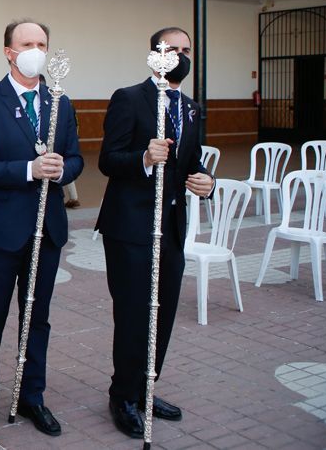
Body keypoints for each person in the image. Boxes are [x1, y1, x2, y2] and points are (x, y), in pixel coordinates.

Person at [0, 19, 84, 437]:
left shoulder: (59, 102)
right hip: (0, 230)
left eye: (43, 43)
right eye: (27, 43)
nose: (36, 50)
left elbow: (76, 157)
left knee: (37, 317)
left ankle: (32, 395)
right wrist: (28, 169)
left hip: (46, 228)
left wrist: (62, 167)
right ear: (8, 51)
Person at [96, 26, 214, 439]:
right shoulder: (129, 98)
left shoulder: (193, 108)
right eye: (171, 49)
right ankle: (122, 396)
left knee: (162, 312)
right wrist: (144, 157)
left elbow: (192, 162)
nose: (179, 55)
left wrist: (206, 182)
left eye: (186, 50)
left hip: (173, 226)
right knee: (133, 313)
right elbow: (109, 160)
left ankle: (146, 387)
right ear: (154, 56)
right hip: (131, 227)